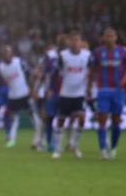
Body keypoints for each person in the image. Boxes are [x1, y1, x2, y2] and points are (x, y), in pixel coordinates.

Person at [52, 30, 92, 159]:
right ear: (68, 42)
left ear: (81, 43)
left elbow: (91, 71)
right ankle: (57, 149)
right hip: (65, 93)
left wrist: (90, 87)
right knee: (61, 121)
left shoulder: (87, 56)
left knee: (81, 119)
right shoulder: (63, 56)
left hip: (79, 93)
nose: (75, 43)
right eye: (72, 40)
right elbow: (57, 73)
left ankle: (75, 145)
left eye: (77, 40)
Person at [0, 45, 41, 148]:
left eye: (9, 53)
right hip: (13, 96)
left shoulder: (19, 62)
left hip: (25, 94)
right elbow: (7, 80)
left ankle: (37, 140)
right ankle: (12, 140)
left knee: (34, 118)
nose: (7, 55)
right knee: (14, 119)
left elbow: (29, 74)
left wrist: (32, 89)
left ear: (12, 54)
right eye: (5, 54)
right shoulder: (1, 67)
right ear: (3, 55)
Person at [89, 27, 126, 160]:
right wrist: (89, 87)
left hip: (118, 91)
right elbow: (92, 70)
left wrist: (124, 79)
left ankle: (114, 147)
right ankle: (103, 149)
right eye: (107, 36)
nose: (109, 38)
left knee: (116, 122)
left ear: (116, 38)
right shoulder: (98, 52)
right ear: (103, 38)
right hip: (103, 90)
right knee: (102, 120)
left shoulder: (122, 52)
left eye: (111, 36)